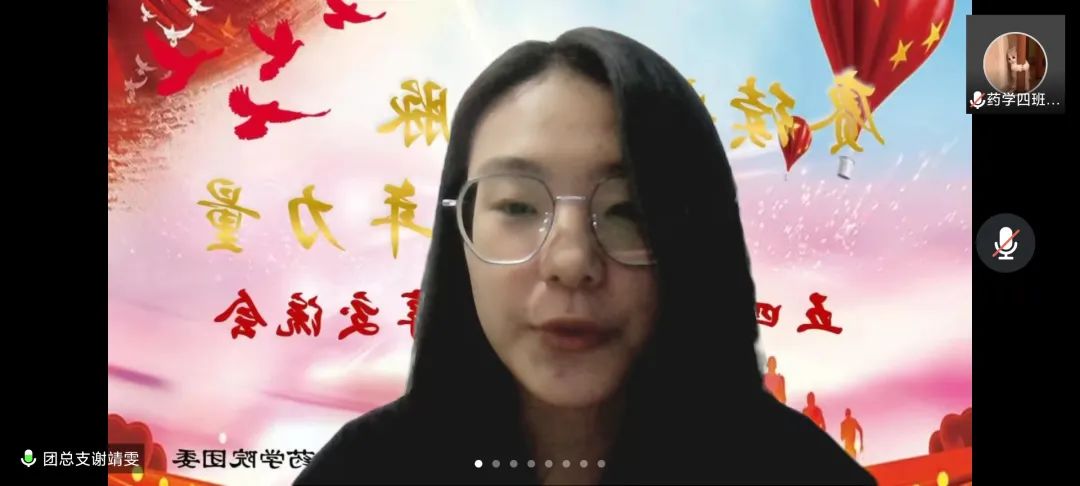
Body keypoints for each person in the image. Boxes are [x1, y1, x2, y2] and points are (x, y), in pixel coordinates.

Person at [295, 27, 875, 485]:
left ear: (695, 236)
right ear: (460, 233)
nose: (571, 262)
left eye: (628, 210)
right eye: (517, 206)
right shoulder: (363, 472)